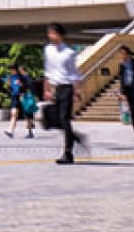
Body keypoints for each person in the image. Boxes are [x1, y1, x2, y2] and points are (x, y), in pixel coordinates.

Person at [42, 24, 86, 164]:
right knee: (54, 120)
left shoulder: (69, 52)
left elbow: (74, 74)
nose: (51, 36)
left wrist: (76, 91)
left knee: (64, 119)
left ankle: (68, 153)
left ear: (60, 35)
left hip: (67, 88)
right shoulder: (48, 50)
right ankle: (75, 136)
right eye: (49, 33)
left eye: (53, 33)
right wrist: (47, 89)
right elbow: (47, 71)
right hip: (56, 89)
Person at [3, 64, 36, 139]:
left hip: (22, 97)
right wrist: (8, 86)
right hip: (14, 97)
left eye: (12, 69)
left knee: (27, 115)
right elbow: (10, 88)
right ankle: (10, 131)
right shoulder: (10, 78)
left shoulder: (21, 77)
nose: (11, 70)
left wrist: (22, 85)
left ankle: (30, 132)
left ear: (16, 69)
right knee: (14, 114)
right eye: (11, 69)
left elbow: (28, 85)